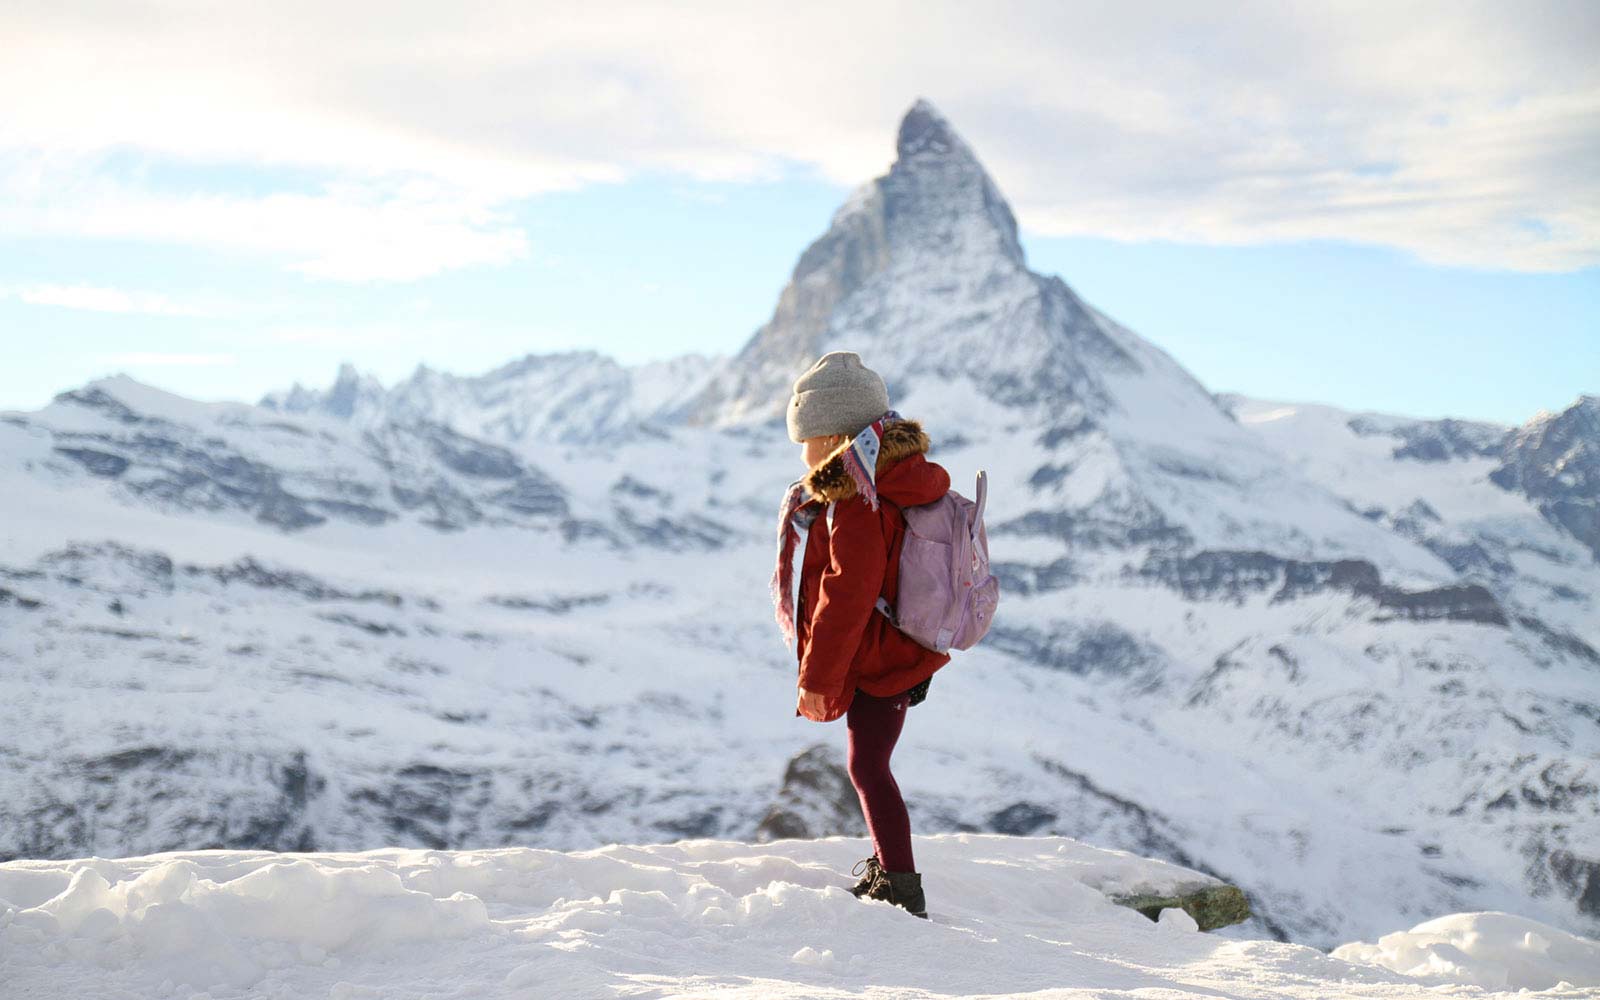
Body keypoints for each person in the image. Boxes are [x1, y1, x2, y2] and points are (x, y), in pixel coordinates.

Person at [769, 350, 953, 919]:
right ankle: (892, 871)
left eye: (806, 437)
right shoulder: (893, 475)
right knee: (869, 763)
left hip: (880, 656)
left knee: (868, 767)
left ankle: (901, 886)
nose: (801, 453)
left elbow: (845, 595)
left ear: (831, 434)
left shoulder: (856, 495)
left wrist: (816, 679)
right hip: (902, 648)